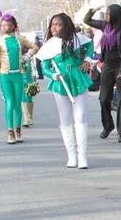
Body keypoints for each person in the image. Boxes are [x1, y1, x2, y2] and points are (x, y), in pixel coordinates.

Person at [39, 12, 94, 168]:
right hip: (60, 82)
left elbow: (90, 46)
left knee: (81, 116)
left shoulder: (78, 39)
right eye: (52, 25)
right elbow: (45, 68)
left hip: (78, 77)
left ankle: (82, 156)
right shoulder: (49, 45)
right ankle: (71, 156)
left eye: (58, 24)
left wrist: (87, 60)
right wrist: (53, 74)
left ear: (66, 25)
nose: (54, 27)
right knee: (65, 118)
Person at [84, 4, 121, 142]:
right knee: (104, 98)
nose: (106, 16)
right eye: (105, 13)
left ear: (116, 15)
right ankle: (108, 125)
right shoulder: (104, 25)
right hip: (107, 66)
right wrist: (92, 10)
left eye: (108, 14)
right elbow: (87, 20)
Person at [0, 11, 38, 144]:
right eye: (2, 25)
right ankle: (10, 132)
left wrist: (27, 56)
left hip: (18, 75)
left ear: (13, 26)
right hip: (5, 76)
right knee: (9, 102)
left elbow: (34, 47)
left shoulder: (19, 39)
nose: (4, 27)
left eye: (7, 25)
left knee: (17, 104)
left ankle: (18, 131)